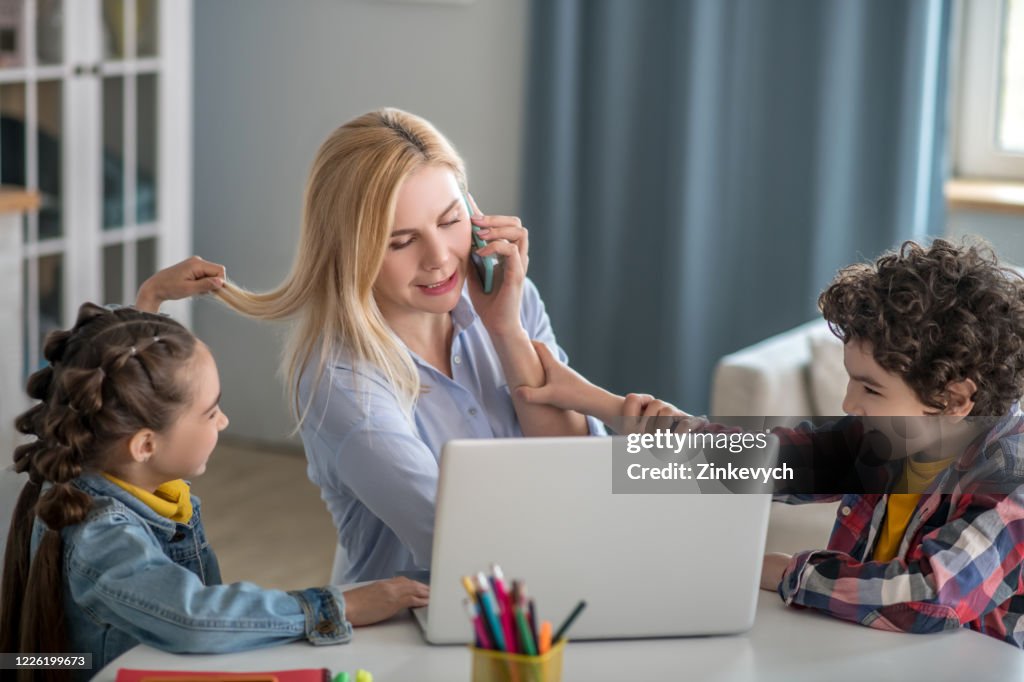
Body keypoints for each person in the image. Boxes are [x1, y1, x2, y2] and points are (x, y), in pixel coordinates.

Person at [516, 239, 1024, 647]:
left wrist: (779, 570)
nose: (849, 403)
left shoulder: (1009, 482)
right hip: (869, 653)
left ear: (954, 398)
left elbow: (924, 596)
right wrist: (591, 400)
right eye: (851, 379)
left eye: (870, 387)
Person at [192, 108, 601, 582]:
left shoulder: (509, 298)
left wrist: (508, 334)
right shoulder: (340, 381)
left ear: (473, 211)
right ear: (351, 252)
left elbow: (577, 469)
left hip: (554, 576)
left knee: (702, 473)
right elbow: (458, 541)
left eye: (450, 221)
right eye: (401, 242)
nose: (439, 258)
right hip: (413, 631)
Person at [0, 302, 428, 681]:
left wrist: (149, 307)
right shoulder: (104, 534)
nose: (223, 422)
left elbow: (117, 379)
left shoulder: (119, 471)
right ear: (145, 444)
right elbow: (192, 617)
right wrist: (338, 608)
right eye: (210, 411)